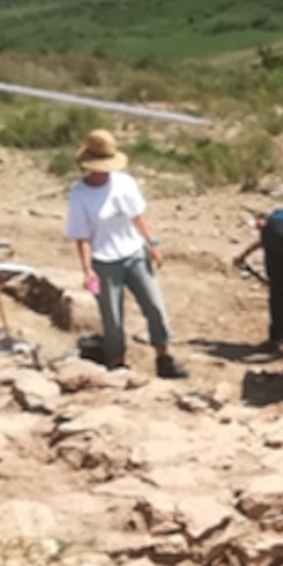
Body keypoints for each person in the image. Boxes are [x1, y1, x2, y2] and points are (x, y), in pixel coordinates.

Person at [64, 129, 187, 379]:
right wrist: (87, 270)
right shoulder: (80, 194)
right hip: (104, 262)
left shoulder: (124, 182)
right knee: (112, 317)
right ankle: (117, 361)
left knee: (155, 307)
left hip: (134, 254)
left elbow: (137, 217)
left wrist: (152, 243)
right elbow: (83, 236)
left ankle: (163, 357)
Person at [231, 203, 283, 351]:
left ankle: (279, 332)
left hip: (274, 235)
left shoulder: (279, 217)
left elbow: (269, 234)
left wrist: (242, 256)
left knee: (277, 288)